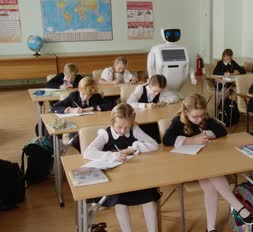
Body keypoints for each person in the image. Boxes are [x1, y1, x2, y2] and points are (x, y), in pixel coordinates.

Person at [163, 94, 253, 232]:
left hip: (205, 163)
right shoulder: (178, 121)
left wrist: (207, 133)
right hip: (187, 165)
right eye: (195, 117)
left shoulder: (204, 119)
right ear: (186, 112)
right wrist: (191, 140)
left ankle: (210, 228)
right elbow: (166, 139)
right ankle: (239, 208)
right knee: (213, 174)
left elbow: (222, 130)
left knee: (210, 184)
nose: (199, 119)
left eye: (202, 115)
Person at [83, 103, 160, 232]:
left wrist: (133, 148)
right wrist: (112, 155)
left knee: (149, 199)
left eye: (127, 127)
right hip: (116, 180)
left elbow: (154, 145)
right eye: (119, 127)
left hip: (137, 176)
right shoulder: (106, 134)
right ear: (112, 122)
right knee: (120, 202)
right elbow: (88, 152)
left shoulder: (134, 129)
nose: (124, 131)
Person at [51, 77, 116, 151]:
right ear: (79, 89)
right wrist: (71, 110)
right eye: (83, 94)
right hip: (77, 128)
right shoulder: (73, 96)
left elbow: (113, 104)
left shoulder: (96, 96)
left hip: (92, 125)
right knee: (77, 141)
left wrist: (94, 108)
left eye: (89, 95)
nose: (85, 98)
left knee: (104, 138)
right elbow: (55, 107)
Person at [127, 74, 178, 142]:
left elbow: (175, 97)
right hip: (140, 121)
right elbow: (129, 103)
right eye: (155, 91)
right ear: (150, 85)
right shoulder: (140, 89)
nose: (157, 94)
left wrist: (164, 102)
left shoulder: (161, 88)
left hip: (154, 119)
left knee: (161, 134)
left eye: (159, 91)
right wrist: (146, 105)